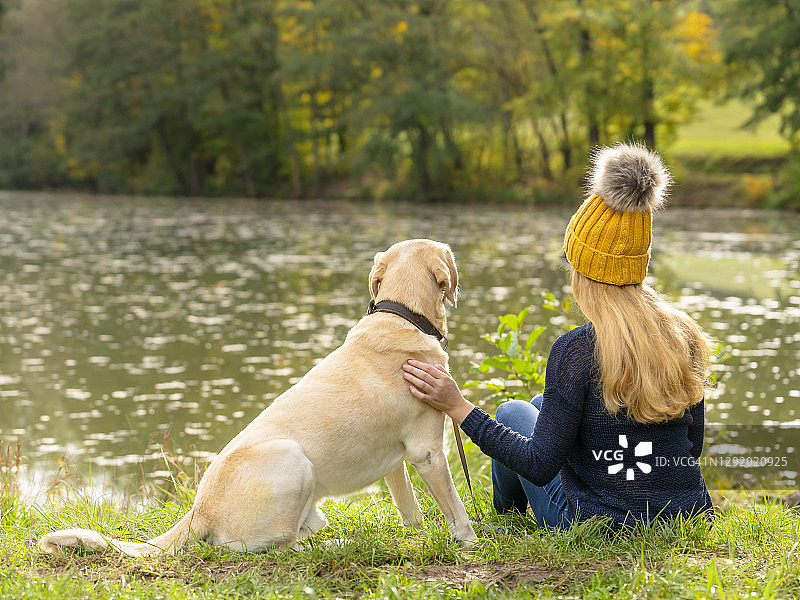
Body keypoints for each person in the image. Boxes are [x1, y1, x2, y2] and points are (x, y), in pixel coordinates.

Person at [402, 142, 714, 529]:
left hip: (599, 522)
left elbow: (539, 464)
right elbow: (691, 447)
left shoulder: (577, 351)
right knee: (540, 402)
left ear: (584, 271)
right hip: (686, 511)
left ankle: (507, 516)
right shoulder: (683, 335)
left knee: (512, 412)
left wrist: (457, 405)